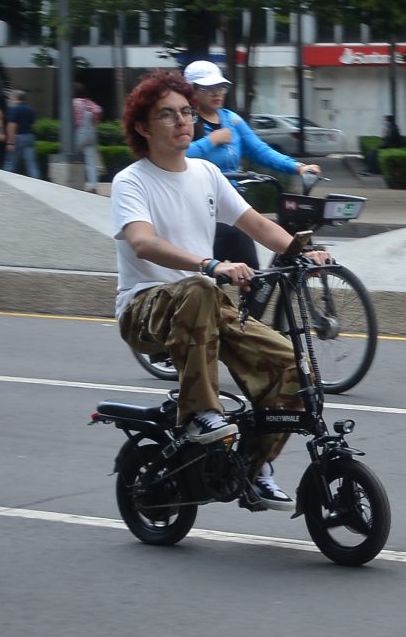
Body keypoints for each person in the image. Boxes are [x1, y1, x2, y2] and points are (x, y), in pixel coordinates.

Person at [110, 70, 331, 507]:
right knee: (199, 287)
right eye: (167, 115)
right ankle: (200, 413)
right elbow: (142, 242)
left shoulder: (207, 173)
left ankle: (250, 467)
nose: (182, 121)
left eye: (186, 112)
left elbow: (256, 224)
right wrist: (210, 264)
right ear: (143, 128)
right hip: (144, 308)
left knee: (292, 366)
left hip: (203, 304)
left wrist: (303, 251)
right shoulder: (131, 181)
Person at [182, 60, 316, 266]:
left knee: (252, 274)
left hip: (231, 203)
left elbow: (260, 150)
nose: (217, 93)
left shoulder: (232, 120)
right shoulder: (186, 120)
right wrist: (211, 141)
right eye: (208, 88)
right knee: (208, 269)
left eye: (220, 87)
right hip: (200, 207)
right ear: (191, 90)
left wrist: (297, 167)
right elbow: (175, 153)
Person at [71, 90, 104, 189]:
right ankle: (93, 185)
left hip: (80, 132)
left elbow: (71, 118)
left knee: (72, 156)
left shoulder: (74, 102)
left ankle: (74, 181)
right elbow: (98, 110)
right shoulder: (89, 102)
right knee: (91, 161)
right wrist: (95, 121)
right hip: (91, 132)